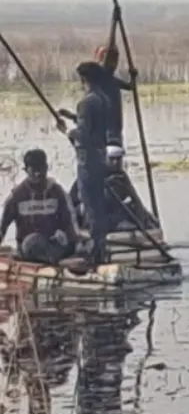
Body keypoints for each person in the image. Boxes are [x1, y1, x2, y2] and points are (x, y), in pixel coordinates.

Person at [58, 61, 112, 266]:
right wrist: (73, 117)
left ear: (83, 79)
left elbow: (83, 135)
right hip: (101, 157)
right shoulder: (103, 99)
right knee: (98, 204)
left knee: (90, 205)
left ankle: (96, 251)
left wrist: (65, 130)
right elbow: (93, 126)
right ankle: (100, 246)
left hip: (88, 161)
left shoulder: (86, 103)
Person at [0, 149, 79, 265]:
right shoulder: (17, 196)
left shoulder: (57, 192)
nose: (38, 174)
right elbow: (2, 227)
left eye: (41, 169)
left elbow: (70, 223)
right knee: (33, 241)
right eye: (34, 170)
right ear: (26, 170)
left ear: (46, 168)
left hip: (54, 246)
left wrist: (71, 241)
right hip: (29, 250)